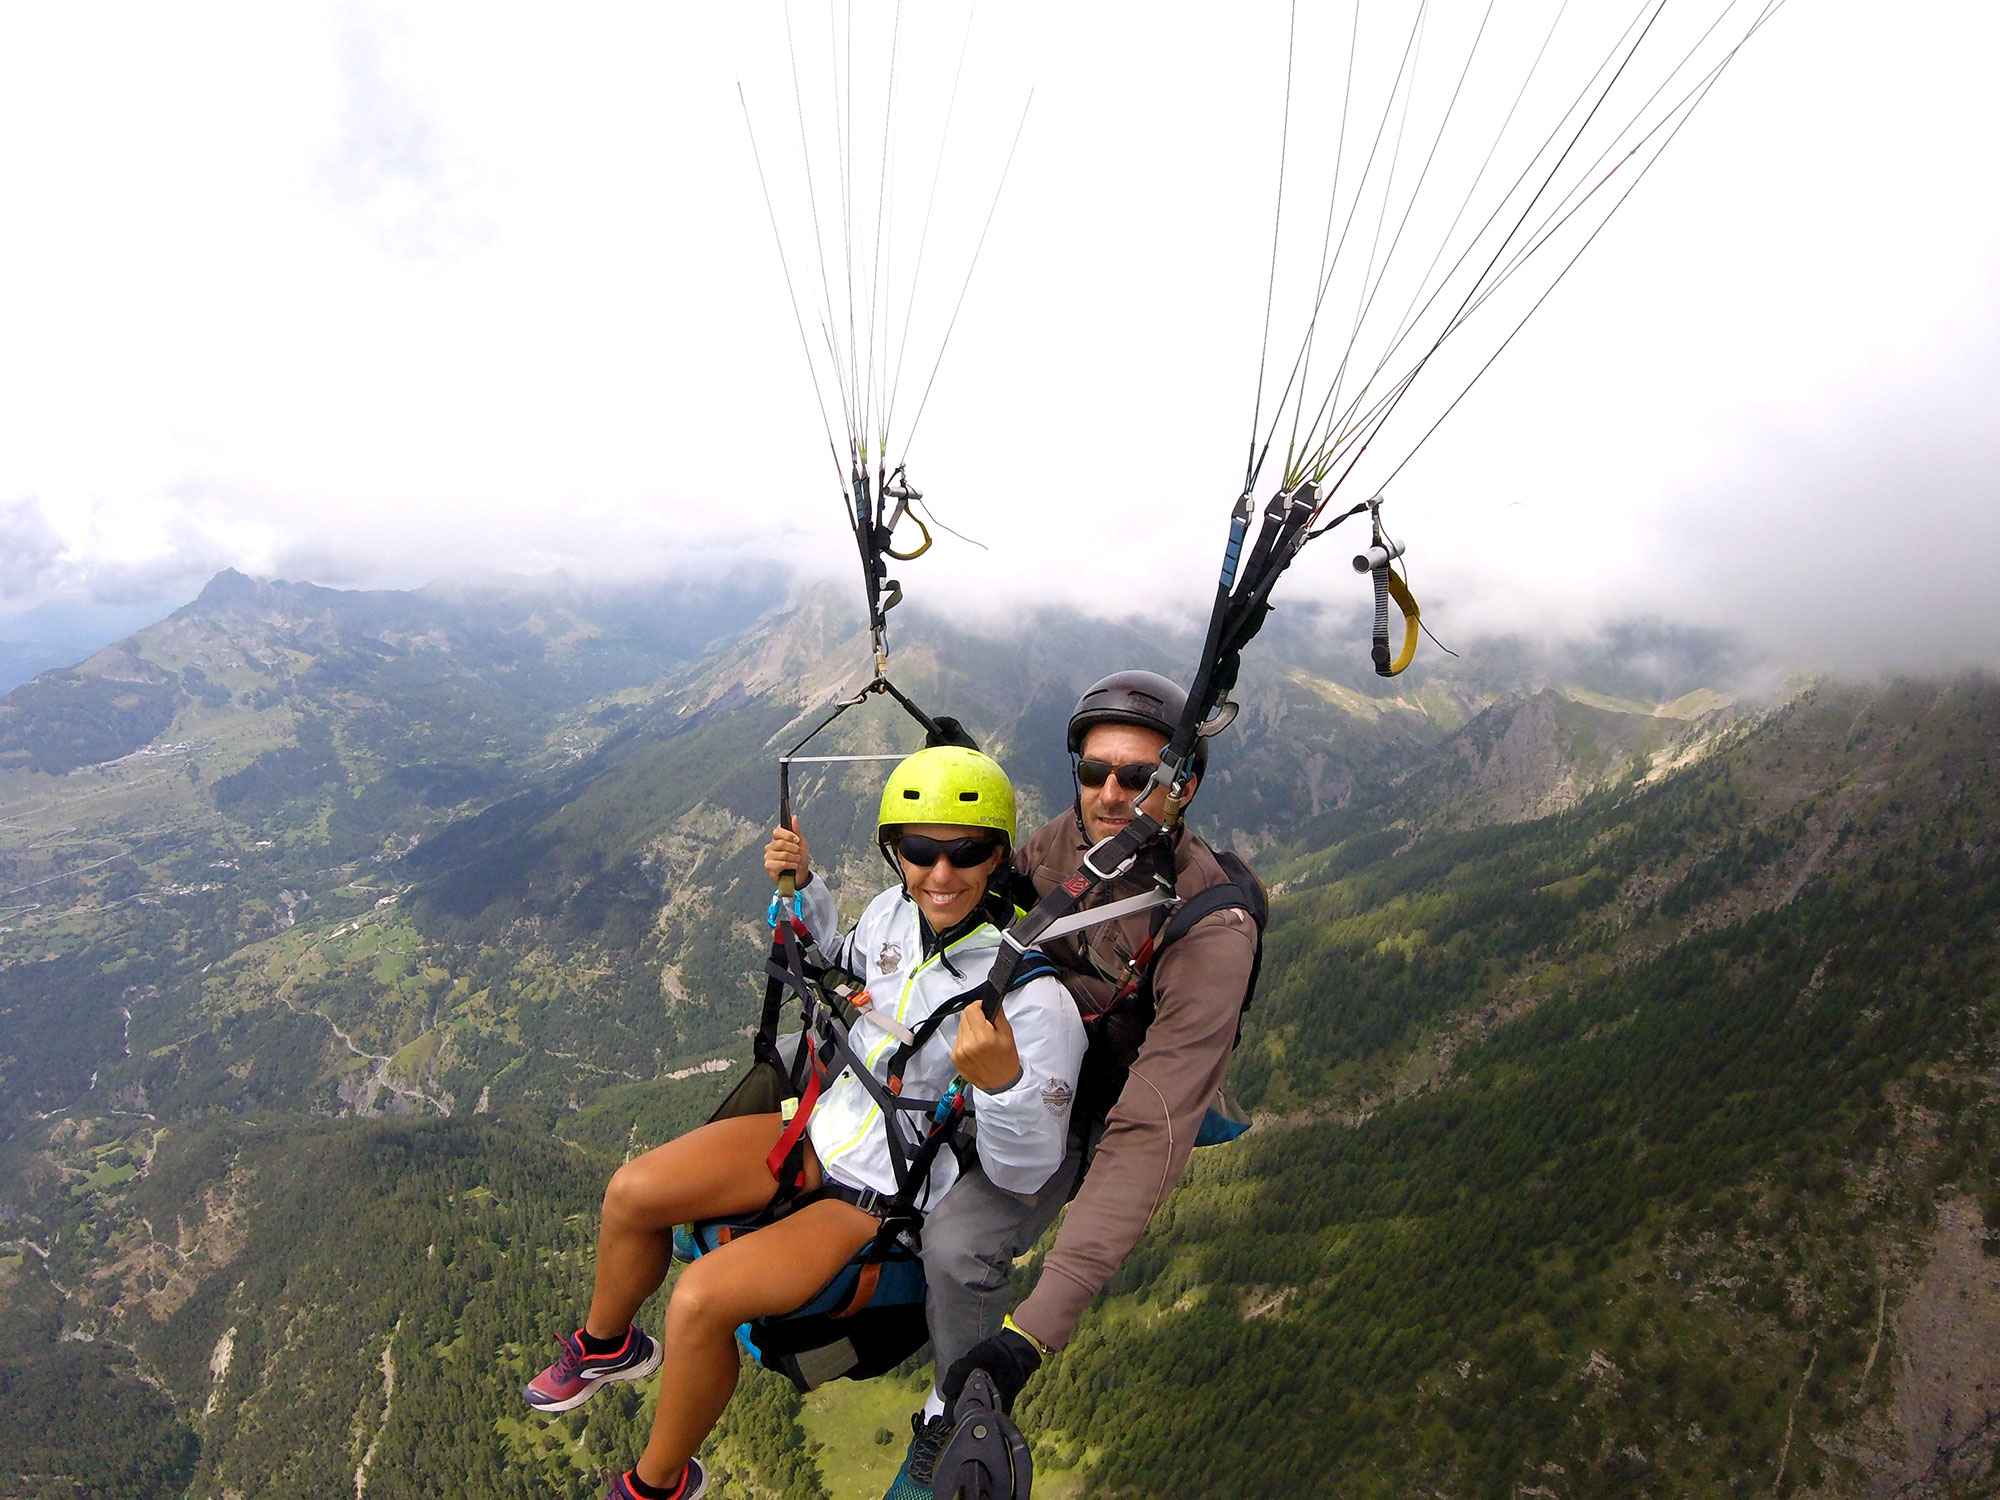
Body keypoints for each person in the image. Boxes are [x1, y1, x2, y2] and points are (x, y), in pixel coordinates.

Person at [521, 746, 1085, 1500]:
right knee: (632, 1191)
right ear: (895, 851)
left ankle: (658, 1484)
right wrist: (806, 886)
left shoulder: (1032, 998)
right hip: (817, 1131)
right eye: (919, 851)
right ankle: (607, 1346)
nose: (940, 875)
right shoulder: (894, 914)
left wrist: (1006, 1084)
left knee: (698, 1301)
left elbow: (1024, 1173)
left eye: (967, 852)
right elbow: (840, 961)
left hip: (878, 1196)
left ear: (998, 856)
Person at [883, 671, 1261, 1499]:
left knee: (959, 1242)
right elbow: (981, 900)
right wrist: (954, 793)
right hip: (1027, 1054)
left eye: (1139, 775)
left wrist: (1029, 1339)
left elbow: (1146, 1133)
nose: (1113, 793)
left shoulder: (1209, 928)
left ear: (1183, 782)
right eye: (1095, 772)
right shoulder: (1061, 846)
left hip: (1101, 1101)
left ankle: (959, 1417)